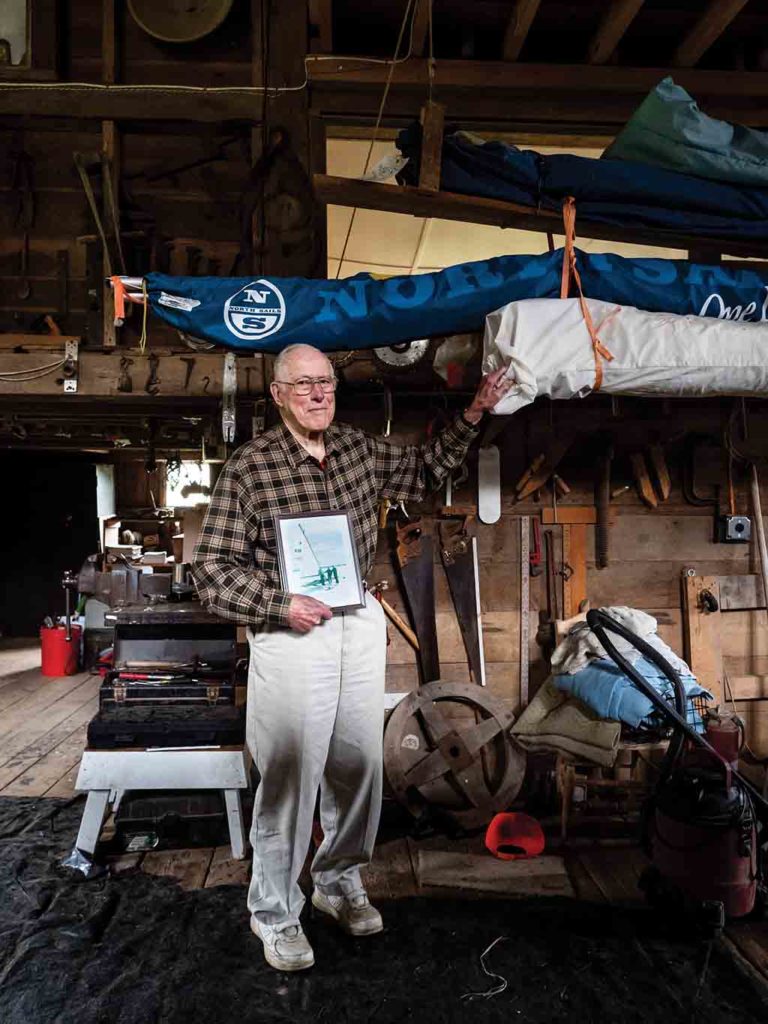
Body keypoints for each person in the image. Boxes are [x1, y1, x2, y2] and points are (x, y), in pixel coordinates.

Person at [193, 343, 512, 971]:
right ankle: (276, 912)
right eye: (304, 385)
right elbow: (210, 572)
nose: (318, 394)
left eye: (327, 384)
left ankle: (338, 882)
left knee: (357, 765)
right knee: (289, 772)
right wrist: (278, 604)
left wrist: (475, 412)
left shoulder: (359, 451)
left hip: (356, 622)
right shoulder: (251, 467)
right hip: (290, 633)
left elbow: (424, 468)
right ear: (279, 394)